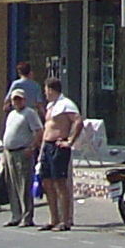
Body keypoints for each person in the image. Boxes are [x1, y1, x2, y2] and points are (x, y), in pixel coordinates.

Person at [37, 77, 81, 230]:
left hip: (59, 146)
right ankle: (53, 218)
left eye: (46, 90)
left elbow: (78, 121)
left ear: (51, 89)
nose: (45, 94)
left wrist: (69, 141)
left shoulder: (66, 104)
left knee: (60, 183)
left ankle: (65, 220)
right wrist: (41, 150)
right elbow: (47, 128)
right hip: (47, 146)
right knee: (47, 182)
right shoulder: (51, 106)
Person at [0, 87, 40, 228]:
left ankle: (27, 217)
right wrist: (4, 153)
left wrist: (32, 148)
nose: (17, 102)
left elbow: (39, 131)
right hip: (9, 153)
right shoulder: (11, 114)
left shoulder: (29, 113)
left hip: (23, 152)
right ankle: (16, 215)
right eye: (15, 99)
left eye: (19, 99)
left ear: (24, 100)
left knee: (24, 185)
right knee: (12, 185)